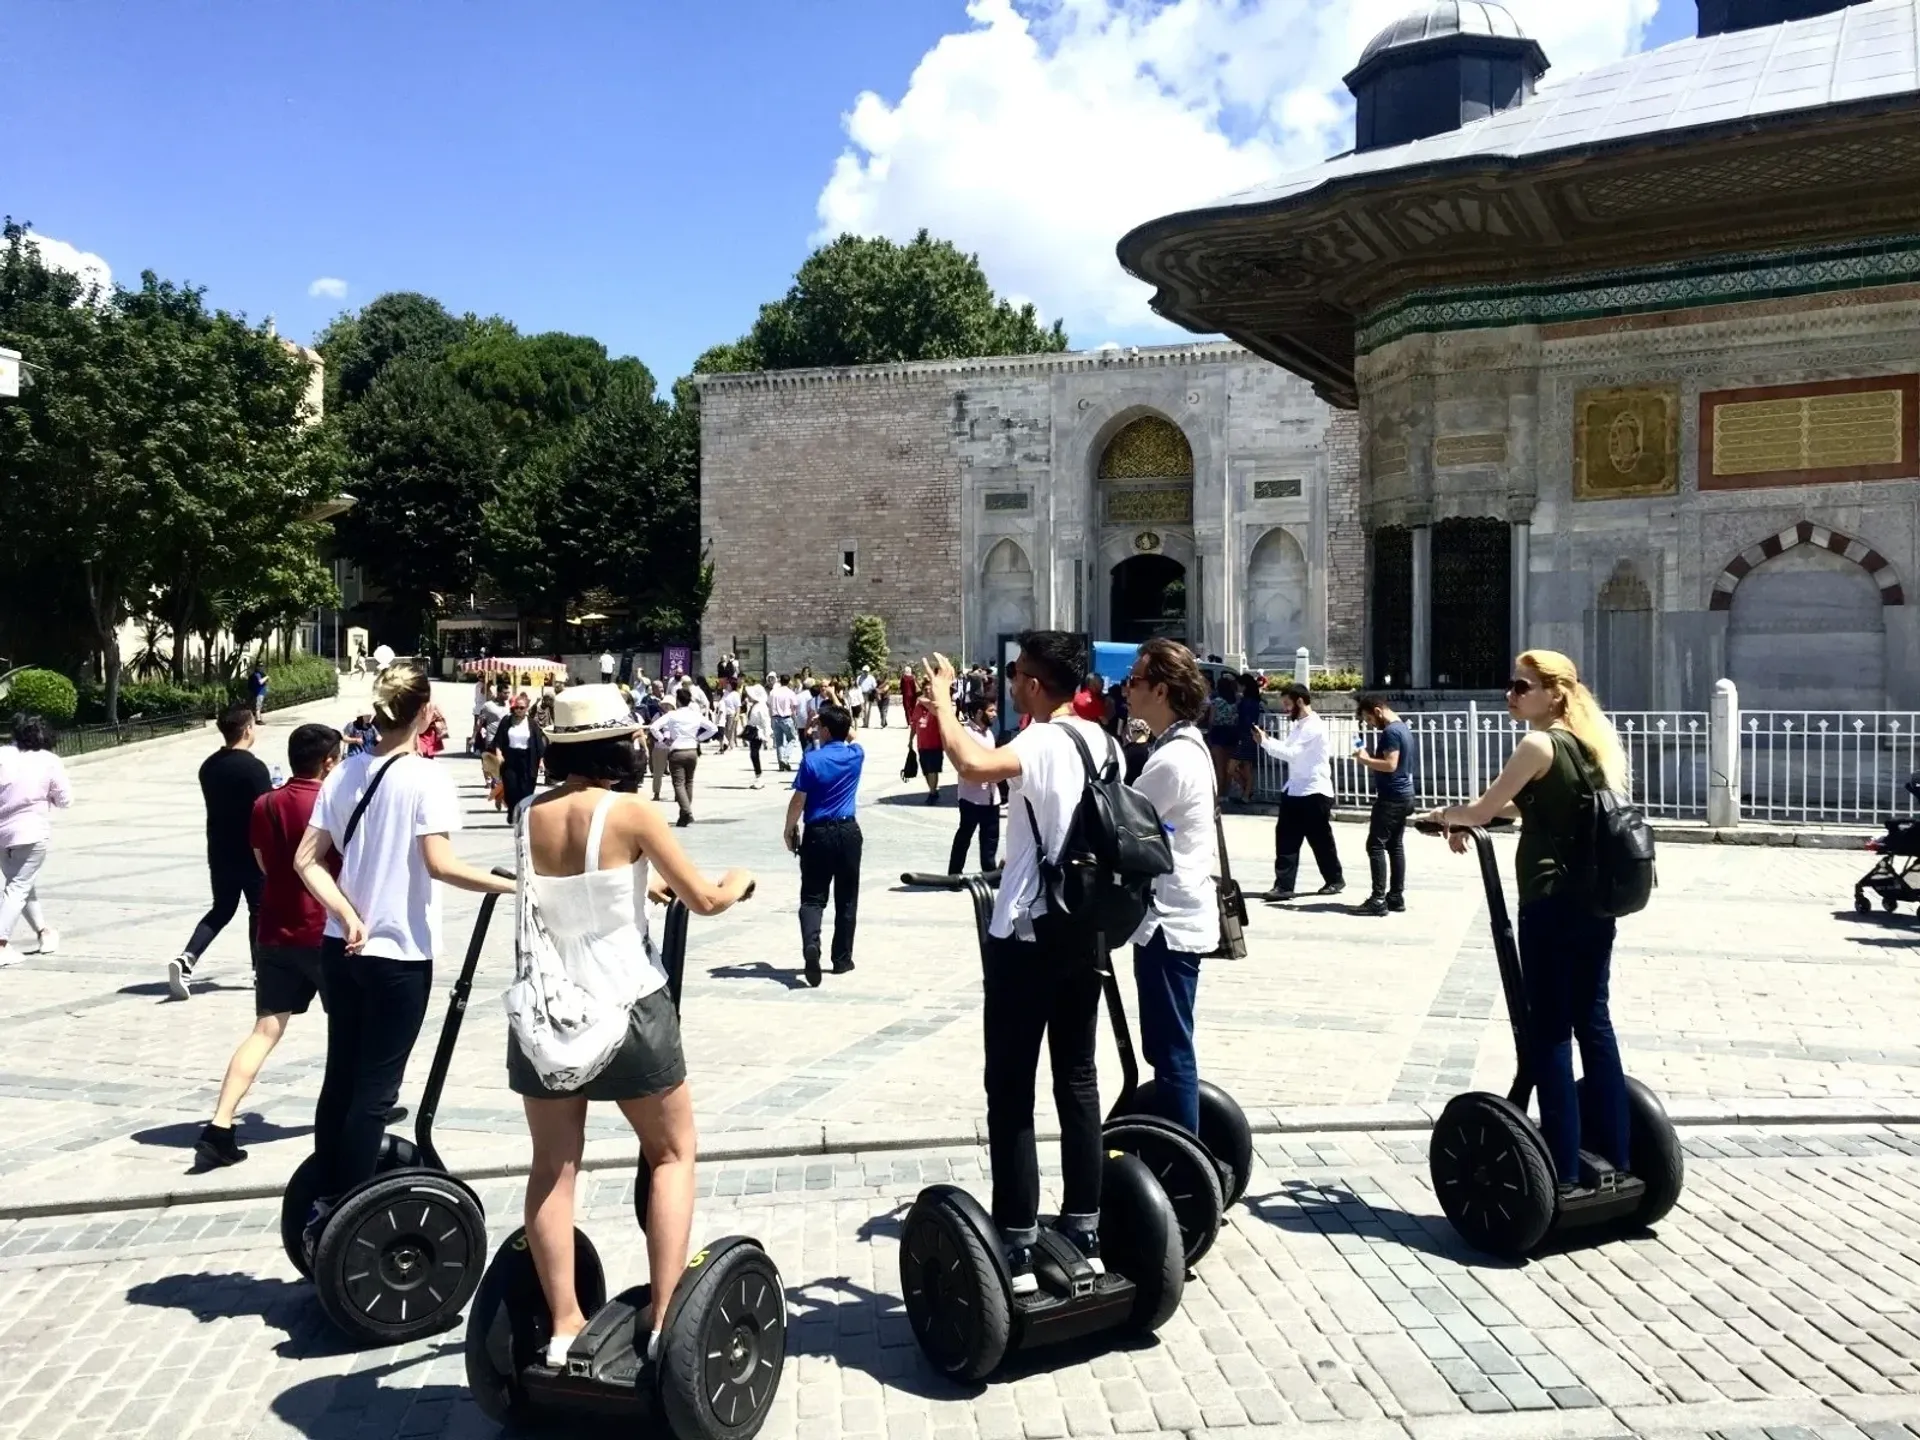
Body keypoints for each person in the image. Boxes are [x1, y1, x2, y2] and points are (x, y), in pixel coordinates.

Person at [507, 685, 754, 1367]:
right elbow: (704, 899)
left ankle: (564, 1323)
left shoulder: (527, 813)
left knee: (553, 1166)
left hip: (551, 1009)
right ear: (617, 746)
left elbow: (573, 892)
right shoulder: (632, 812)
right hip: (629, 1003)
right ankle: (666, 1317)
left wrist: (642, 888)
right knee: (671, 1153)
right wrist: (737, 881)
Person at [292, 663, 514, 1258]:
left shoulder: (343, 772)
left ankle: (324, 1201)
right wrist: (514, 886)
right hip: (398, 953)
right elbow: (440, 864)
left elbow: (306, 860)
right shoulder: (425, 778)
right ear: (422, 712)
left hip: (342, 947)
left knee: (340, 1078)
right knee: (375, 1091)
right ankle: (344, 1213)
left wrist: (346, 912)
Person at [922, 633, 1114, 1294]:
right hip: (1085, 928)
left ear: (1033, 683)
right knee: (1078, 1077)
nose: (1010, 683)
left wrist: (942, 698)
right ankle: (1085, 1226)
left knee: (1010, 1089)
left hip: (1028, 932)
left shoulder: (1040, 741)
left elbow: (972, 764)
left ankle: (1018, 1238)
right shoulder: (1103, 742)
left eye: (1015, 673)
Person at [1420, 650, 1632, 1197]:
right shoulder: (1589, 744)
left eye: (1522, 686)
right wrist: (1473, 816)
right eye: (1511, 686)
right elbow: (1531, 807)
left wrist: (1443, 817)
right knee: (1595, 1023)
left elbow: (1484, 809)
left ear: (1554, 694)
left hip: (1550, 902)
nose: (1510, 695)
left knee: (1551, 1031)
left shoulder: (1538, 745)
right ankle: (1618, 1154)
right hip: (1594, 904)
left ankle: (1563, 1170)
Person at [195, 723, 344, 1167]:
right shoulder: (333, 801)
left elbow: (262, 862)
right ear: (329, 762)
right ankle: (353, 1113)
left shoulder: (266, 803)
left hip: (274, 928)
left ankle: (220, 1124)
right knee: (350, 1027)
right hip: (324, 930)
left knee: (265, 1030)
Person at [1121, 640, 1220, 1136]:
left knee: (1169, 1048)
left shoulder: (1172, 761)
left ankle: (1182, 1157)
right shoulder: (1183, 747)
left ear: (1160, 691)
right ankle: (1182, 1143)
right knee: (1169, 1043)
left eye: (1134, 681)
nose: (1126, 689)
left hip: (1168, 922)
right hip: (1178, 914)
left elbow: (1122, 824)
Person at [168, 705, 273, 1000]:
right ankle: (260, 971)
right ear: (247, 729)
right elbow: (264, 809)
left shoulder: (209, 766)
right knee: (259, 909)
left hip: (219, 849)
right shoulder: (254, 768)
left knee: (222, 909)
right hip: (251, 851)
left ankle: (187, 959)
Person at [780, 703, 864, 987]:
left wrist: (789, 829)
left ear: (826, 731)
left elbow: (798, 800)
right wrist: (834, 721)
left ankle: (811, 943)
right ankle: (842, 959)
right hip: (849, 831)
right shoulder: (856, 755)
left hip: (818, 833)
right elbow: (853, 735)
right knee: (847, 897)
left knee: (813, 897)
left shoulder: (812, 760)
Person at [1254, 684, 1343, 900]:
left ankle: (1334, 879)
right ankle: (1284, 886)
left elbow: (1292, 754)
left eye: (1287, 704)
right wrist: (1267, 740)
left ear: (1300, 701)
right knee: (1286, 838)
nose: (1285, 709)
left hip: (1314, 790)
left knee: (1320, 839)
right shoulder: (1298, 726)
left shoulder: (1314, 727)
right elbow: (1288, 749)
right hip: (1295, 789)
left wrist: (1265, 742)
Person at [0, 713, 71, 958]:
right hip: (30, 832)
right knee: (19, 887)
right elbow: (65, 799)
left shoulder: (2, 754)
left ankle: (43, 932)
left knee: (20, 884)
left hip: (2, 833)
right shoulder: (49, 760)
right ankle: (1, 944)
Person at [1353, 694, 1418, 916]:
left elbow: (1390, 765)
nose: (1371, 724)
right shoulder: (1403, 728)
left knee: (1375, 845)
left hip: (1391, 797)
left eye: (1370, 719)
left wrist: (1365, 760)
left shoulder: (1391, 732)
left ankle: (1378, 899)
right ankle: (1396, 896)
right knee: (1395, 845)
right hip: (1405, 794)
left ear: (1378, 711)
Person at [650, 688, 717, 826]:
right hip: (692, 750)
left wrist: (663, 739)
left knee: (678, 783)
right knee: (689, 782)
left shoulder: (672, 715)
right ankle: (684, 815)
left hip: (677, 750)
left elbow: (653, 727)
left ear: (678, 701)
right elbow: (713, 728)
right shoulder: (695, 715)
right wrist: (699, 738)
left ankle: (687, 812)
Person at [948, 700, 1000, 874]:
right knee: (965, 836)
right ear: (979, 713)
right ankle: (955, 873)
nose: (994, 714)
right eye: (991, 710)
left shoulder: (989, 734)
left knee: (990, 838)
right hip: (971, 796)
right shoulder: (967, 734)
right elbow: (965, 763)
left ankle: (989, 873)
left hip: (991, 796)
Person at [488, 694, 547, 824]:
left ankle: (522, 814)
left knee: (526, 789)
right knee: (511, 787)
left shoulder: (532, 724)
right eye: (516, 707)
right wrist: (498, 753)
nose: (519, 710)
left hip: (528, 759)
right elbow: (498, 740)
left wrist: (541, 761)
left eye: (522, 708)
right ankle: (512, 811)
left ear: (526, 708)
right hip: (510, 758)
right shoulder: (506, 721)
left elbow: (538, 744)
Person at [1205, 674, 1241, 799]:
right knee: (1228, 766)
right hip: (1232, 733)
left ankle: (1219, 793)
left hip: (1218, 733)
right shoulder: (1236, 701)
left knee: (1219, 766)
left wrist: (1209, 732)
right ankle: (1226, 792)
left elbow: (1211, 720)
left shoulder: (1216, 702)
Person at [1230, 672, 1264, 803]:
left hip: (1245, 735)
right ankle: (1247, 792)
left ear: (1244, 686)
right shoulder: (1253, 701)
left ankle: (1247, 790)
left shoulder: (1246, 702)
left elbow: (1246, 719)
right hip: (1248, 735)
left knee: (1232, 768)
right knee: (1246, 767)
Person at [767, 674, 798, 771]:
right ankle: (785, 758)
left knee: (779, 742)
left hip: (775, 718)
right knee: (792, 739)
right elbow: (793, 707)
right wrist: (795, 719)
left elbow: (768, 704)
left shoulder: (773, 692)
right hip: (786, 718)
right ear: (789, 682)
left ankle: (781, 763)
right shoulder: (790, 693)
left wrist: (771, 716)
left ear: (780, 681)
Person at [743, 687, 771, 789]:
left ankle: (759, 778)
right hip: (753, 731)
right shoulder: (755, 705)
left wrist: (767, 736)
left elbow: (766, 721)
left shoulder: (761, 706)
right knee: (753, 754)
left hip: (759, 732)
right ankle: (758, 777)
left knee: (754, 754)